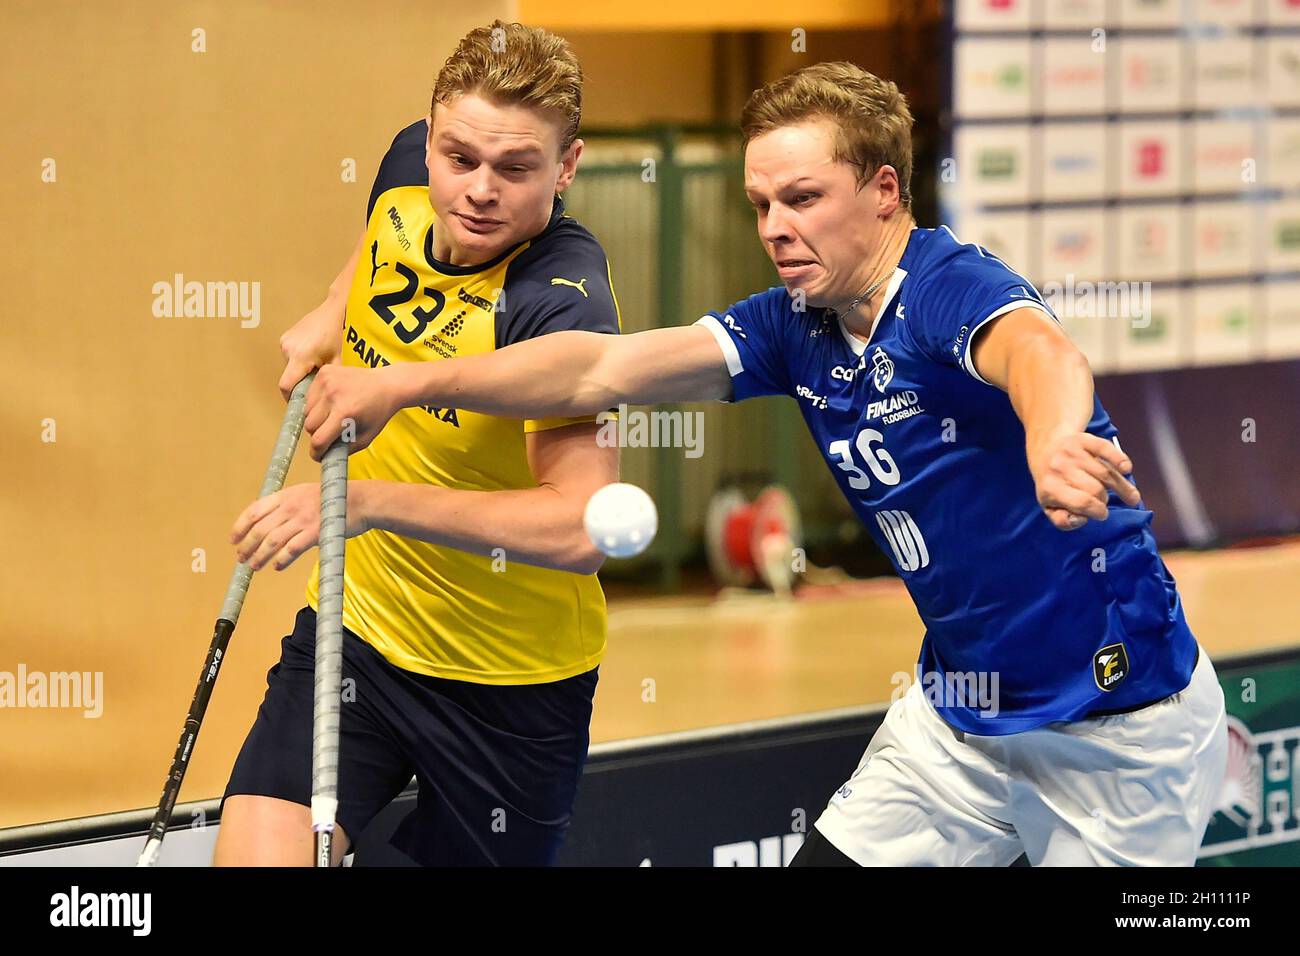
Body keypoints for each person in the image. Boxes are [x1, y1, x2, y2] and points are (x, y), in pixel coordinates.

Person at [303, 61, 1229, 866]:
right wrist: (409, 385)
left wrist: (1055, 436)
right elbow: (597, 365)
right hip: (961, 720)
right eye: (760, 205)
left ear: (884, 192)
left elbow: (1042, 356)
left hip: (1120, 726)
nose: (776, 227)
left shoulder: (950, 289)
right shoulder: (794, 326)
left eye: (803, 198)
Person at [214, 20, 621, 866]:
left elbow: (583, 529)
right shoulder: (409, 170)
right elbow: (377, 247)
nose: (477, 190)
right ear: (429, 138)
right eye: (459, 157)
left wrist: (365, 502)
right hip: (357, 632)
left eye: (516, 169)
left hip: (510, 688)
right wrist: (334, 309)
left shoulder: (558, 299)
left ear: (568, 167)